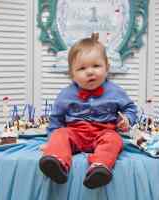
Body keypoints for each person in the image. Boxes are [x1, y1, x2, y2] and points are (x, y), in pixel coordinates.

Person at [39, 33, 138, 189]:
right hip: (75, 133)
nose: (90, 72)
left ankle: (99, 167)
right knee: (61, 134)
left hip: (103, 132)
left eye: (96, 66)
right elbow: (56, 120)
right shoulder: (66, 95)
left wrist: (127, 118)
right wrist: (52, 141)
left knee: (115, 140)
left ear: (107, 68)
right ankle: (56, 163)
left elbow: (130, 109)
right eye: (82, 68)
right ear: (72, 75)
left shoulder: (116, 92)